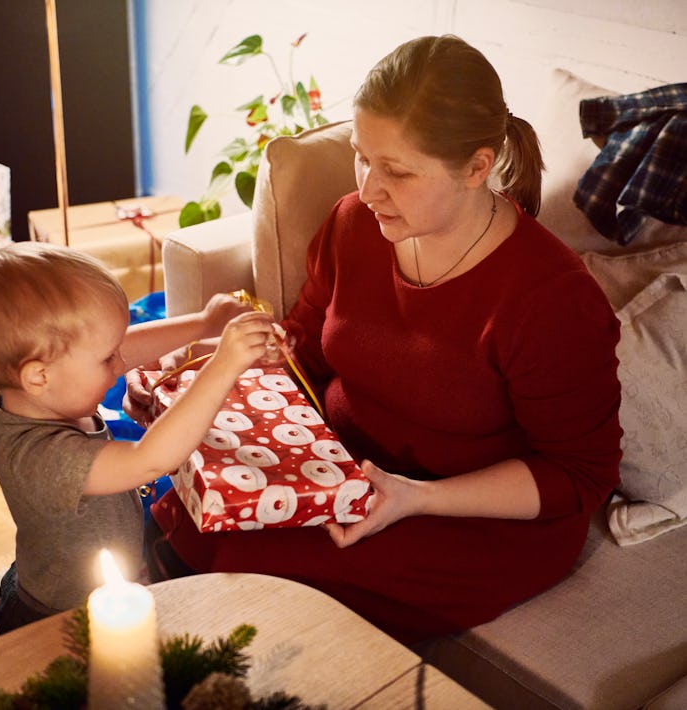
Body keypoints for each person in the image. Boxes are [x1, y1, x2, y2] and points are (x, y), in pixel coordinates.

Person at [125, 35, 622, 646]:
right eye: (363, 157)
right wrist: (236, 369)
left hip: (470, 518)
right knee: (182, 513)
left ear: (477, 167)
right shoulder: (353, 223)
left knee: (240, 566)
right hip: (345, 463)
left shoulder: (551, 300)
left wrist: (416, 499)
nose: (367, 189)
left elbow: (579, 476)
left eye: (398, 172)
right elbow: (307, 343)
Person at [0, 242, 273, 634]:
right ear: (38, 376)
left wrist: (203, 322)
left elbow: (125, 347)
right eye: (107, 360)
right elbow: (150, 460)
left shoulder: (45, 394)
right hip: (59, 617)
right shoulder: (40, 456)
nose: (121, 364)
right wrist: (224, 364)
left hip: (93, 589)